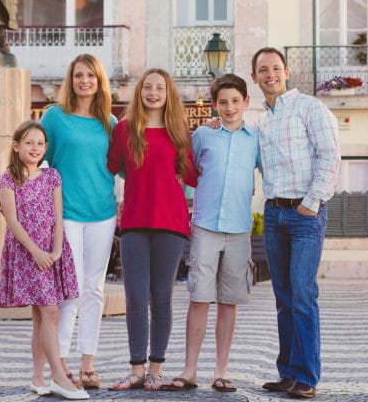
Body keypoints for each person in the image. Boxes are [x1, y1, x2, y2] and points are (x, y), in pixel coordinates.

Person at [252, 47, 340, 399]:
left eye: (275, 68)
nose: (270, 74)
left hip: (305, 214)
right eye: (263, 69)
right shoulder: (260, 121)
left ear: (286, 71)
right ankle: (287, 373)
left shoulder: (310, 108)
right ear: (255, 75)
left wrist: (312, 201)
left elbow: (330, 155)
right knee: (283, 297)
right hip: (274, 214)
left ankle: (306, 377)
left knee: (303, 294)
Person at [166, 74, 260, 393]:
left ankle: (221, 370)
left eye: (235, 101)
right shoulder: (203, 135)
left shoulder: (255, 138)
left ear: (246, 102)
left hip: (239, 229)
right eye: (223, 102)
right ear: (215, 105)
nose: (230, 107)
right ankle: (189, 369)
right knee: (199, 297)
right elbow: (187, 172)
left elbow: (267, 172)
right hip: (205, 226)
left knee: (229, 302)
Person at [107, 69, 198, 392]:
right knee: (134, 295)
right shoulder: (125, 130)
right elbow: (111, 166)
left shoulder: (179, 132)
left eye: (160, 87)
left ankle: (156, 370)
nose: (153, 92)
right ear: (140, 92)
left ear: (168, 93)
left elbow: (194, 175)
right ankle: (136, 368)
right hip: (133, 222)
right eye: (148, 87)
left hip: (171, 224)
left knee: (161, 297)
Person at [40, 54, 117, 390]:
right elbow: (32, 155)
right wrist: (6, 190)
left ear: (99, 81)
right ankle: (60, 366)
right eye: (78, 75)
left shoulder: (110, 123)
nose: (84, 81)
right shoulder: (54, 117)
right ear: (70, 80)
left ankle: (88, 362)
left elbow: (126, 166)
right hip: (66, 213)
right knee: (70, 290)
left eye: (91, 76)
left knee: (94, 289)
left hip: (103, 213)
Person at [0, 121, 86, 400]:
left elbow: (58, 216)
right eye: (28, 143)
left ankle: (38, 377)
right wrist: (35, 251)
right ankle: (58, 376)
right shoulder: (8, 180)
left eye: (39, 143)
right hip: (27, 253)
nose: (34, 148)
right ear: (16, 146)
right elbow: (12, 221)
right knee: (51, 313)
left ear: (45, 148)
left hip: (52, 252)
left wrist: (57, 250)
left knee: (41, 316)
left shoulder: (52, 177)